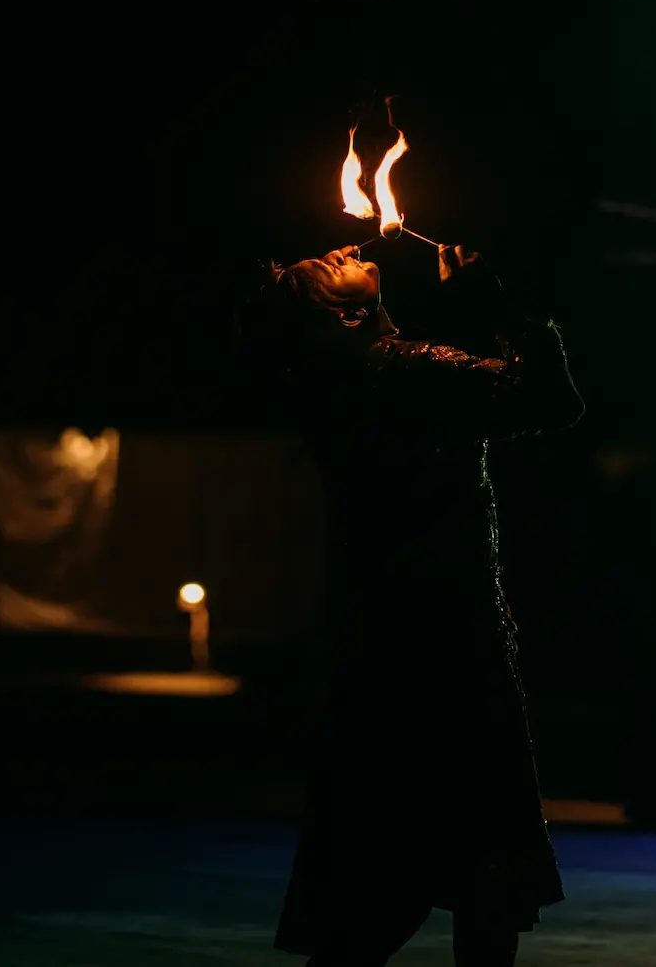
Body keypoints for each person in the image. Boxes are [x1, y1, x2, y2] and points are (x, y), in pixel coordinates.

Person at [237, 242, 583, 967]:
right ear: (349, 308)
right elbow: (551, 399)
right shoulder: (401, 367)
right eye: (326, 267)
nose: (341, 248)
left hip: (379, 640)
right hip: (451, 645)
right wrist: (504, 310)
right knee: (479, 869)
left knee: (386, 873)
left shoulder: (342, 378)